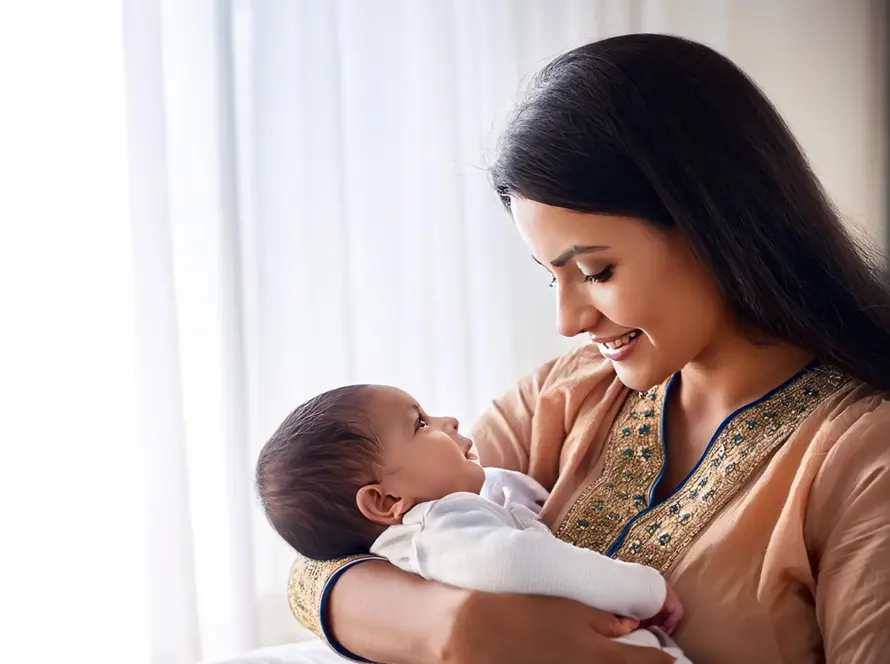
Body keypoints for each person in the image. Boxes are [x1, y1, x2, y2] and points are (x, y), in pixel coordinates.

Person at [286, 34, 890, 664]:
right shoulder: (567, 392)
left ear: (717, 229)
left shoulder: (860, 456)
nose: (568, 320)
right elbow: (318, 566)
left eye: (597, 272)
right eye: (553, 276)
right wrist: (452, 628)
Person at [256, 385, 689, 661]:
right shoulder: (441, 525)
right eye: (420, 424)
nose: (450, 421)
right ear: (385, 500)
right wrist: (644, 589)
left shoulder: (424, 537)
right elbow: (510, 559)